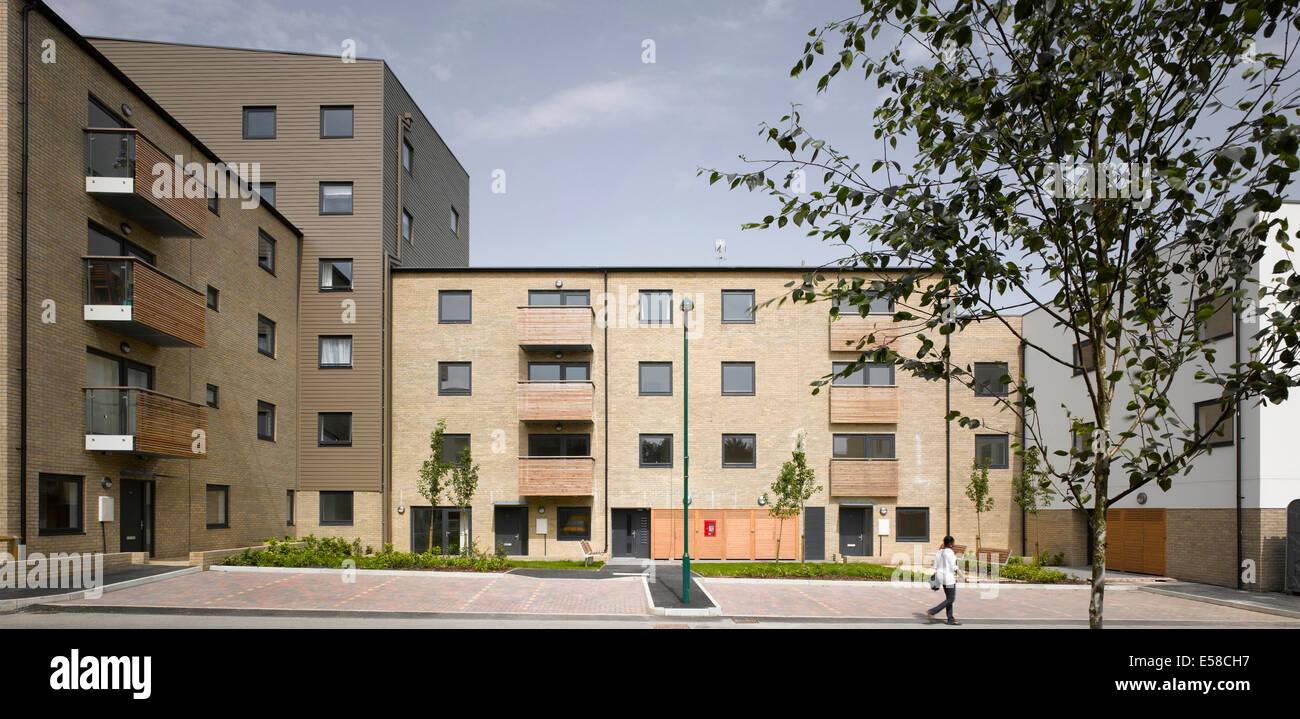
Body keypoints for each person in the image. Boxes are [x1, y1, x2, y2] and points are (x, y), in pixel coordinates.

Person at [924, 535, 964, 625]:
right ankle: (932, 611)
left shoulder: (939, 552)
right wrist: (963, 577)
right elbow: (954, 567)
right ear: (950, 544)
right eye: (953, 543)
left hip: (940, 577)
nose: (954, 544)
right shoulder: (949, 553)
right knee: (951, 599)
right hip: (948, 579)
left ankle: (950, 619)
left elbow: (935, 566)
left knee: (948, 598)